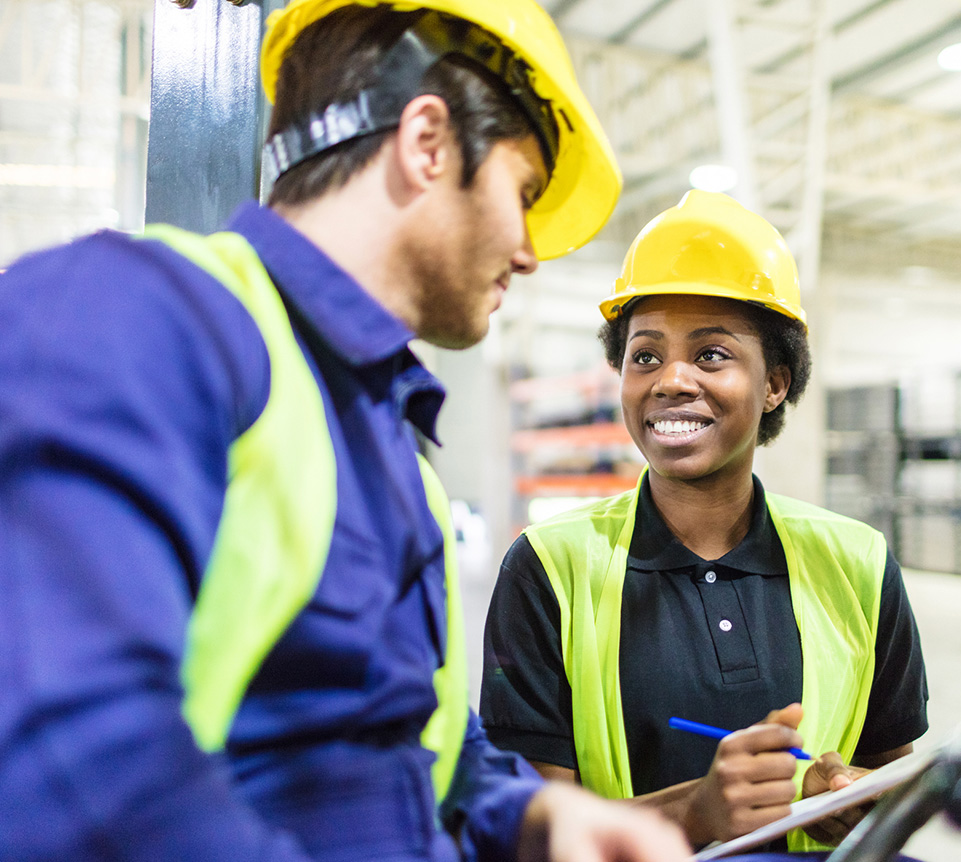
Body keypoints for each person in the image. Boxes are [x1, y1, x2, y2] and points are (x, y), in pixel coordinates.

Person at [0, 2, 694, 861]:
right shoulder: (137, 317)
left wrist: (528, 813)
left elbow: (423, 748)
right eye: (521, 194)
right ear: (428, 142)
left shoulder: (393, 456)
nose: (528, 253)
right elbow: (73, 769)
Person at [480, 191, 930, 854]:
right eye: (646, 356)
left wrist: (857, 797)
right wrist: (696, 810)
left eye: (712, 355)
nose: (671, 381)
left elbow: (896, 771)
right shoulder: (549, 567)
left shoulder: (857, 561)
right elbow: (529, 830)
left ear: (775, 382)